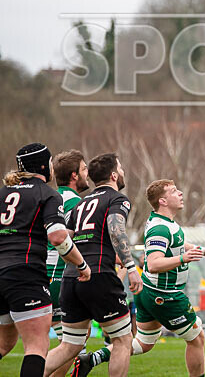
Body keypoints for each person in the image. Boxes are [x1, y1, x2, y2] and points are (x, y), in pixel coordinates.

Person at [74, 180, 205, 377]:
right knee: (197, 338)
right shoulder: (159, 228)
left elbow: (177, 241)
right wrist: (182, 258)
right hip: (165, 296)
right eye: (173, 191)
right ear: (163, 200)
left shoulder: (165, 222)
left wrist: (202, 251)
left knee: (143, 343)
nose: (179, 193)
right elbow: (152, 263)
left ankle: (92, 359)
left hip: (150, 293)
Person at [45, 153, 143, 377]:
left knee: (69, 346)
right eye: (121, 167)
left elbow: (66, 240)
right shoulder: (118, 199)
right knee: (123, 340)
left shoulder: (81, 204)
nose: (124, 171)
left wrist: (78, 265)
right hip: (100, 276)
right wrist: (130, 268)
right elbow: (116, 230)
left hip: (72, 277)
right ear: (114, 175)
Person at [0, 144, 91, 377]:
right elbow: (58, 236)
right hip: (25, 273)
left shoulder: (2, 193)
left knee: (4, 344)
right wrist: (81, 264)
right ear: (44, 166)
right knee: (37, 346)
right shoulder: (47, 194)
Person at [42, 150, 91, 377]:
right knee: (72, 343)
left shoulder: (48, 198)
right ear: (74, 176)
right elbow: (83, 242)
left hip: (41, 275)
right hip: (59, 276)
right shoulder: (77, 205)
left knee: (73, 341)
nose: (87, 173)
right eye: (83, 169)